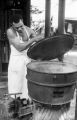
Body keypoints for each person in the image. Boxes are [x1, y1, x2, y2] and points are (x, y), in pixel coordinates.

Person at [7, 14, 43, 99]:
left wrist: (39, 40)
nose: (19, 28)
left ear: (22, 21)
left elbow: (38, 43)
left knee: (26, 86)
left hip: (27, 61)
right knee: (16, 86)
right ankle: (15, 105)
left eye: (21, 26)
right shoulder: (10, 31)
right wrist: (33, 39)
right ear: (12, 25)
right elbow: (19, 47)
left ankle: (26, 104)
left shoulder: (29, 30)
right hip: (16, 62)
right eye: (16, 27)